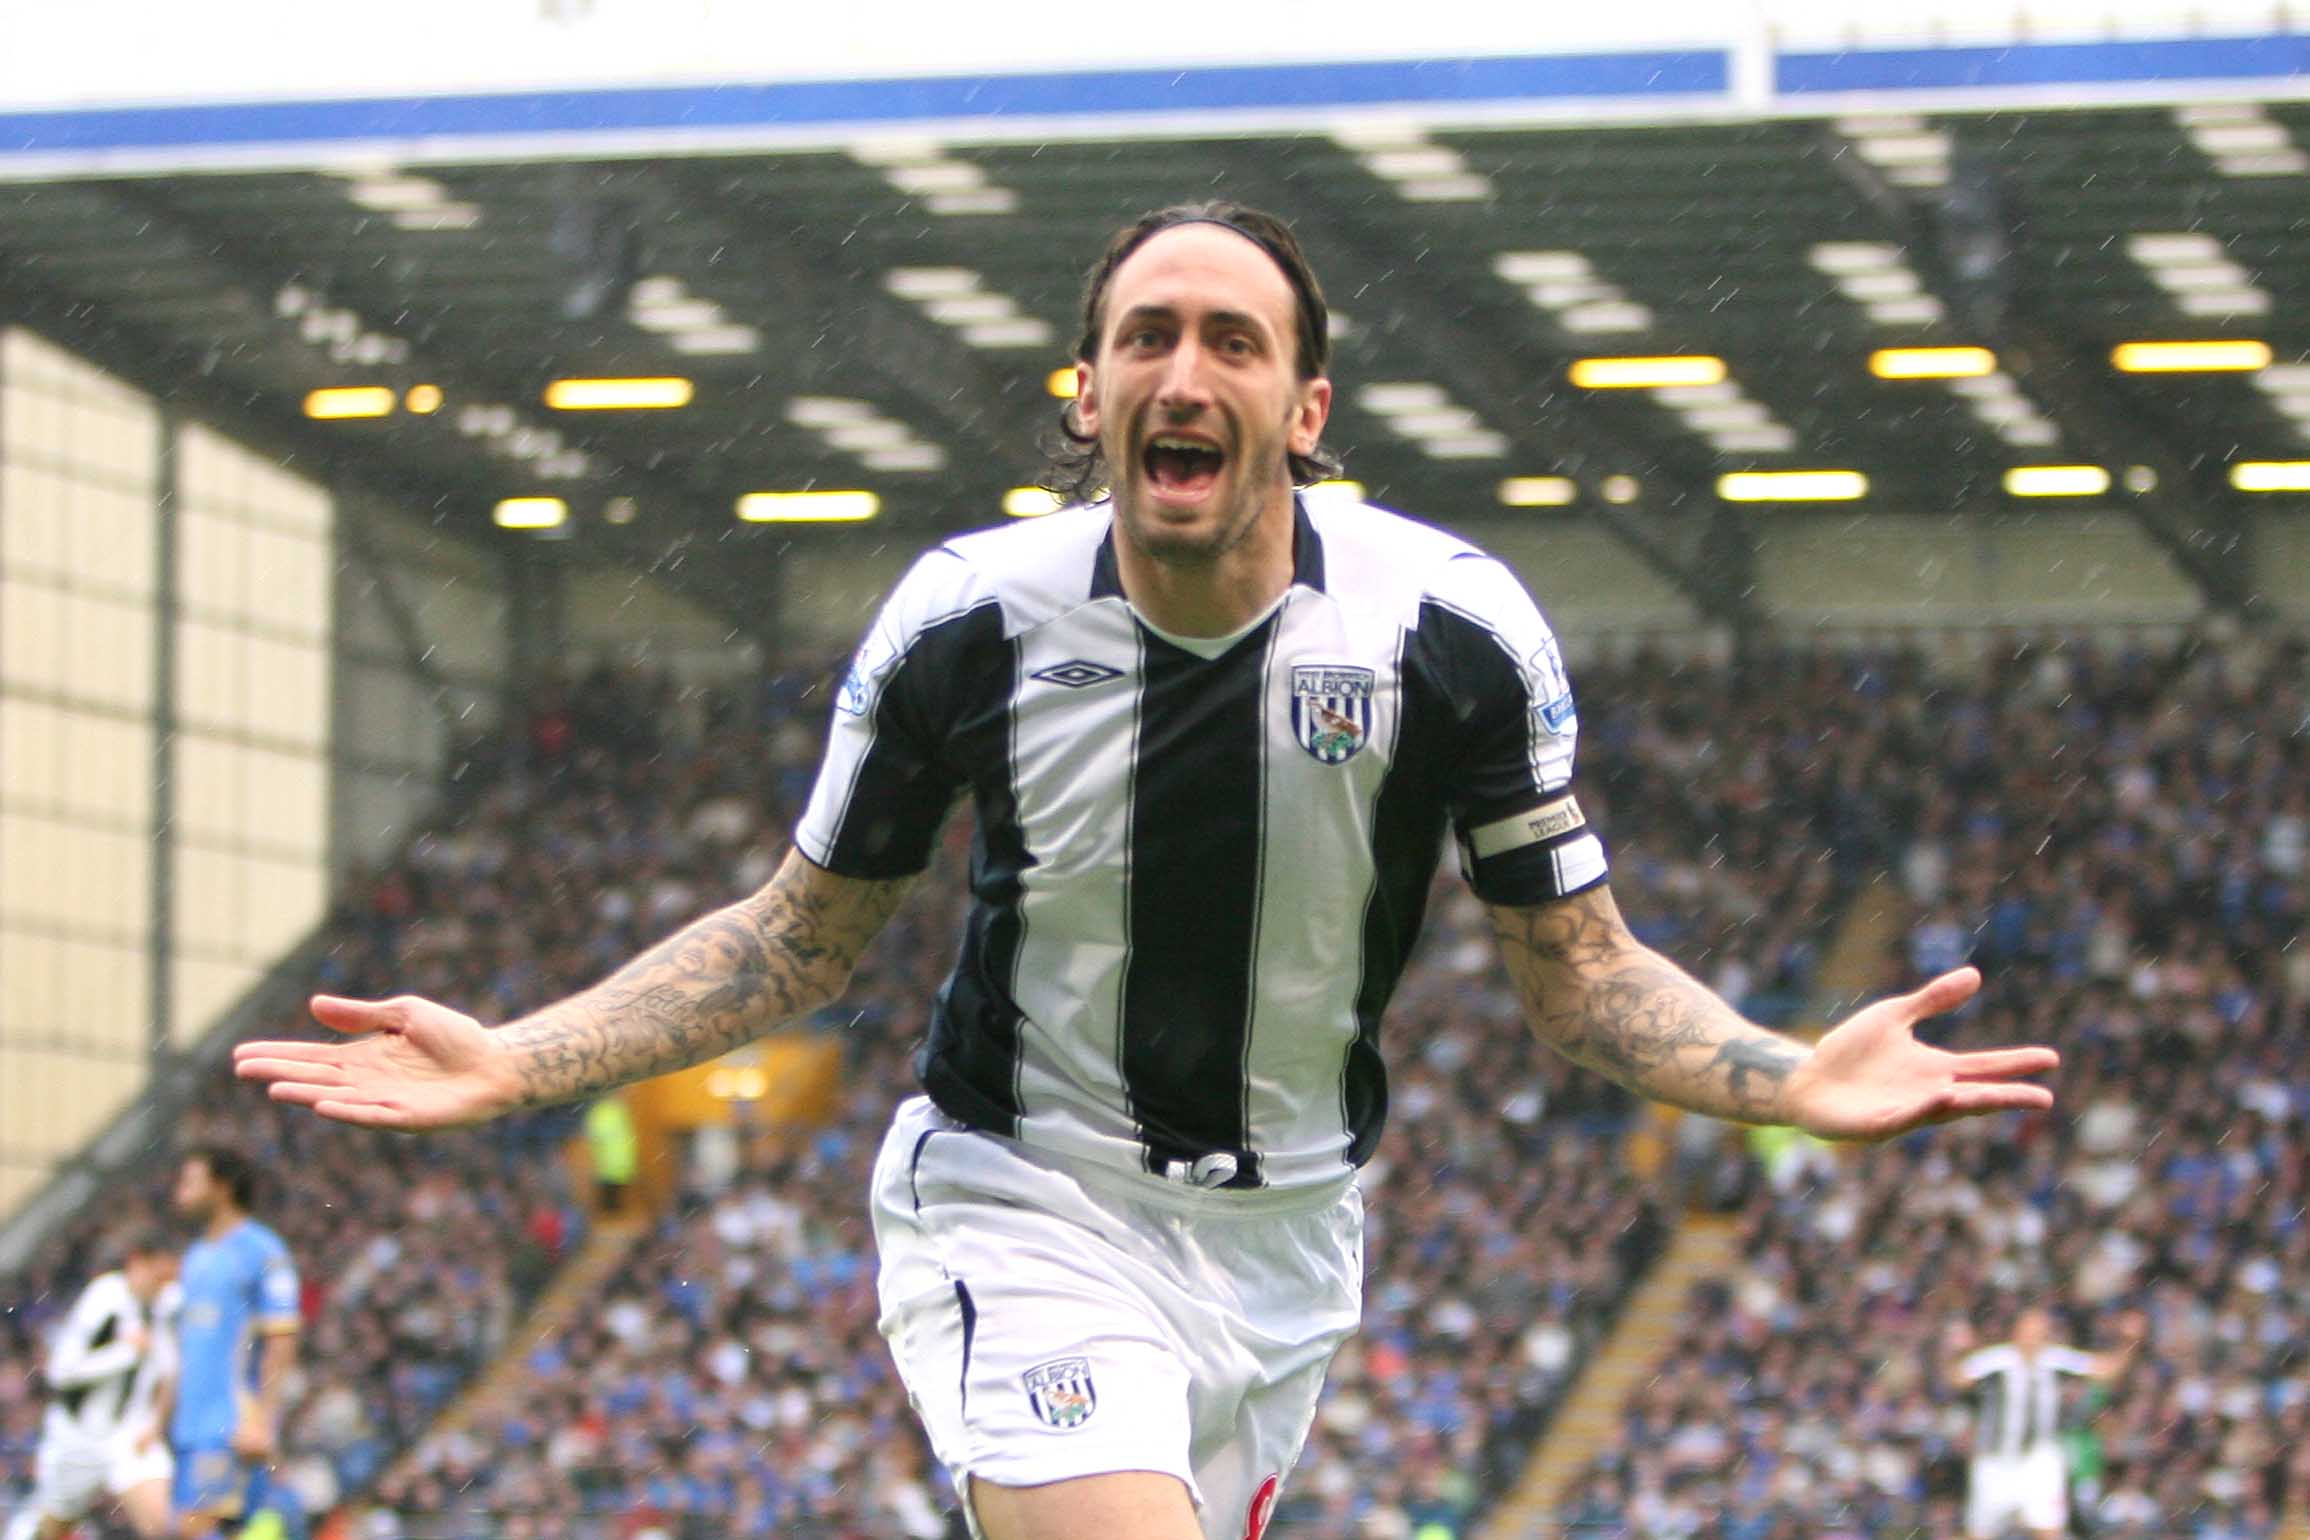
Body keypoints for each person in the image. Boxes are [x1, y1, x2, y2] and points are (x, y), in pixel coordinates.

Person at [236, 200, 2062, 1540]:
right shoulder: (969, 625)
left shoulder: (1451, 632)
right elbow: (796, 944)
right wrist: (523, 1059)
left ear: (1309, 406)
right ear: (1090, 389)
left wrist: (1784, 1073)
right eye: (1149, 338)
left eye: (1234, 341)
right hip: (1027, 1202)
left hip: (1290, 1250)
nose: (1185, 372)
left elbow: (1579, 977)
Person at [3, 1228, 179, 1540]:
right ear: (137, 1263)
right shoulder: (106, 1298)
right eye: (158, 1276)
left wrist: (155, 1423)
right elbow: (61, 1371)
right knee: (53, 1530)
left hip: (128, 1432)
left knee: (162, 1526)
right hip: (78, 1435)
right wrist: (124, 1352)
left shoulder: (165, 1305)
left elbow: (169, 1372)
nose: (163, 1286)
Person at [169, 1145, 301, 1540]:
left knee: (194, 1527)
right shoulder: (195, 1255)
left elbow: (281, 1338)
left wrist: (264, 1419)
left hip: (228, 1422)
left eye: (191, 1182)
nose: (181, 1191)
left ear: (222, 1188)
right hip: (191, 1424)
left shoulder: (262, 1250)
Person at [1943, 1306, 2144, 1540]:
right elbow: (1956, 1377)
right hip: (1995, 1460)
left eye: (2042, 1329)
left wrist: (2129, 1340)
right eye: (2031, 1327)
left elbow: (2106, 1371)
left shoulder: (2054, 1359)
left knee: (2050, 1531)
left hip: (2039, 1461)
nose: (2037, 1334)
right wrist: (1956, 1350)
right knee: (1978, 1534)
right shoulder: (1996, 1360)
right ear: (2016, 1330)